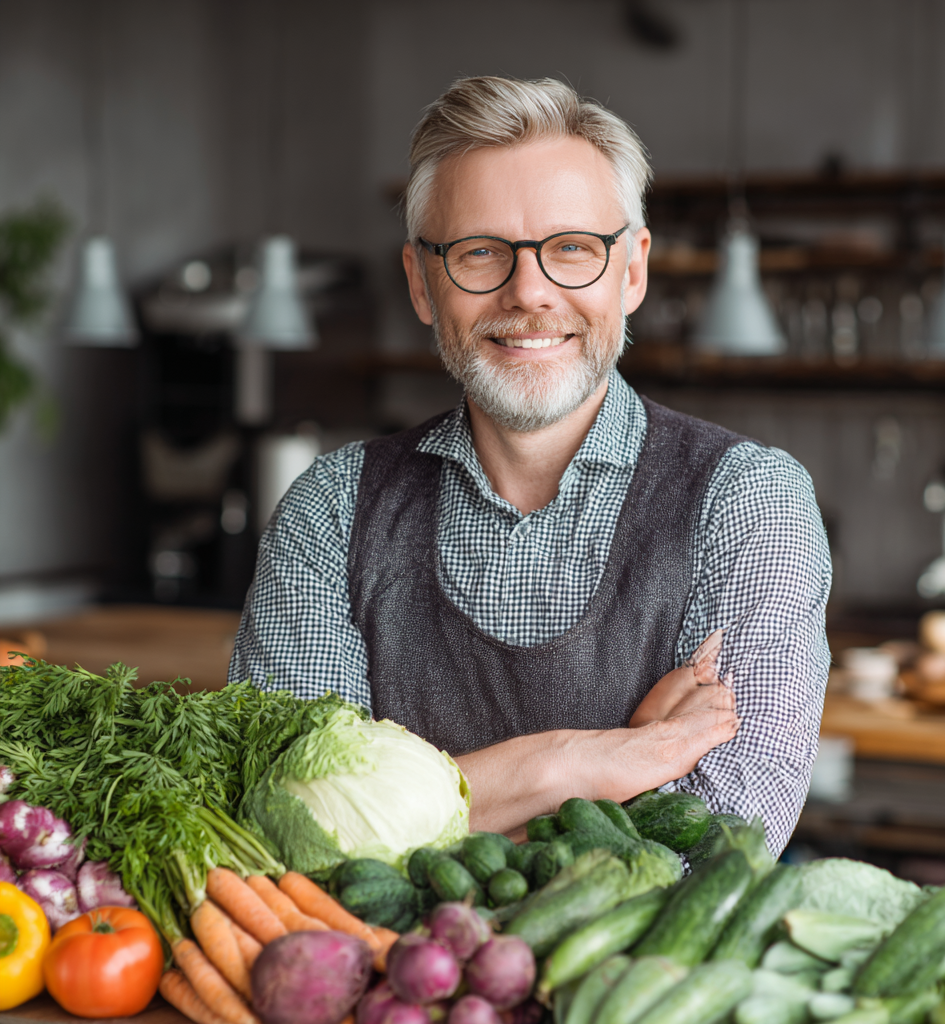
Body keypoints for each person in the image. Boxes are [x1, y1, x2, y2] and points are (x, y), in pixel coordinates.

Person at [229, 76, 831, 855]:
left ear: (634, 270)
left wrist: (420, 817)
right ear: (421, 281)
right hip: (385, 981)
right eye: (480, 253)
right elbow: (297, 833)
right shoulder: (331, 509)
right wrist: (596, 761)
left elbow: (714, 857)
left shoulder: (748, 502)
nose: (531, 293)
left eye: (572, 249)